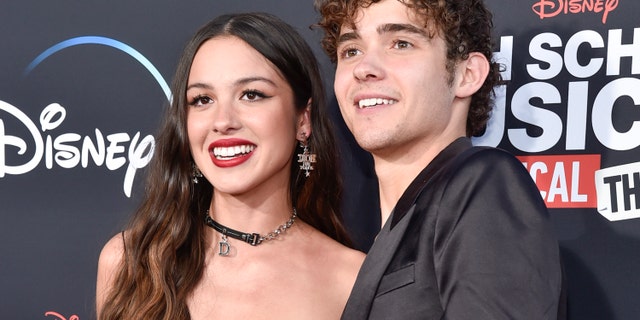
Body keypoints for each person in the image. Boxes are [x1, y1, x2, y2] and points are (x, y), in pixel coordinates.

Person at [96, 12, 364, 319]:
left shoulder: (351, 280)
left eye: (251, 95)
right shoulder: (130, 262)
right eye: (202, 100)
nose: (222, 121)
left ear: (303, 120)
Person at [315, 0, 566, 319]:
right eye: (351, 50)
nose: (364, 67)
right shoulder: (389, 230)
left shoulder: (483, 184)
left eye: (401, 44)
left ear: (467, 74)